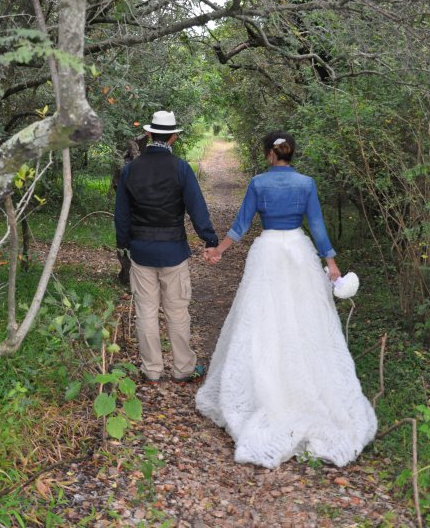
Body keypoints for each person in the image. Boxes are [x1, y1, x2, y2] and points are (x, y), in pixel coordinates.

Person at [196, 131, 377, 468]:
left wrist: (219, 250)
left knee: (262, 318)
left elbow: (241, 224)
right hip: (297, 250)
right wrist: (332, 264)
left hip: (267, 252)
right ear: (291, 154)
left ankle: (263, 389)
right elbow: (318, 225)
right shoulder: (306, 184)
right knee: (305, 320)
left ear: (269, 155)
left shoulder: (259, 184)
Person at [115, 110, 218, 384]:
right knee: (176, 311)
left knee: (146, 311)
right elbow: (197, 208)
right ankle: (183, 368)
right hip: (173, 251)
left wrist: (123, 243)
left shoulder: (130, 170)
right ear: (173, 137)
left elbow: (122, 213)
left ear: (148, 134)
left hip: (141, 251)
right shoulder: (180, 168)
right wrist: (209, 239)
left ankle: (151, 370)